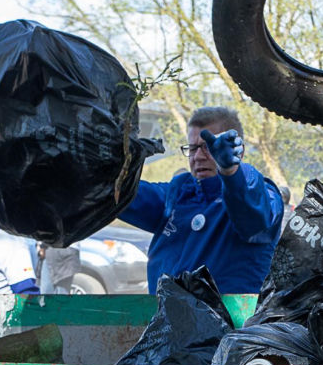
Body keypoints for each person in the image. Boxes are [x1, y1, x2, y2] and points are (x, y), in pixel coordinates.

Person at [120, 106, 284, 294]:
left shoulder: (260, 193)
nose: (198, 157)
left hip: (232, 322)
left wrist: (230, 172)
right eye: (192, 148)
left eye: (208, 147)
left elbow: (255, 220)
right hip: (166, 319)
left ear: (238, 150)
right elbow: (120, 195)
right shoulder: (179, 192)